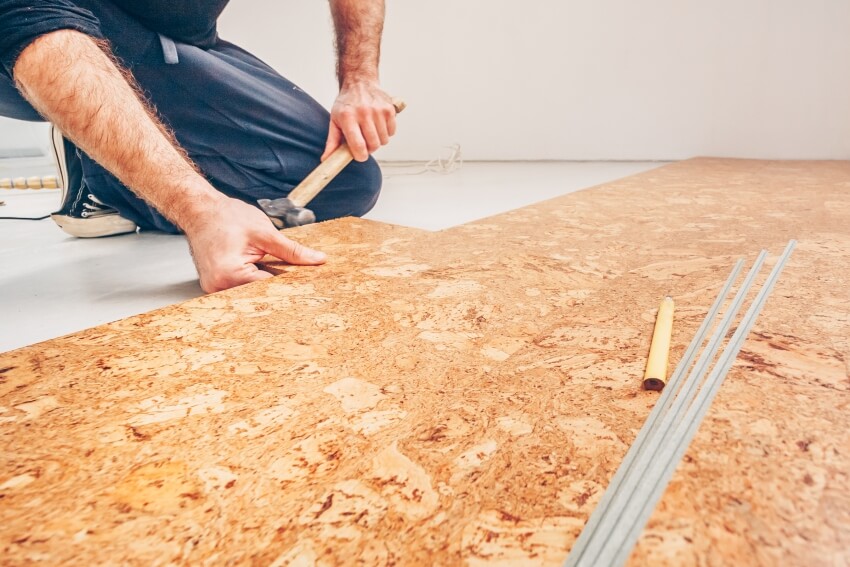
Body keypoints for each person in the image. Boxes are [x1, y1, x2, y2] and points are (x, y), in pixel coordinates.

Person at [0, 0, 398, 292]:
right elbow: (27, 16)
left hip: (178, 43)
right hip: (46, 30)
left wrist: (359, 78)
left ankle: (109, 152)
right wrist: (201, 212)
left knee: (349, 183)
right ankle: (88, 132)